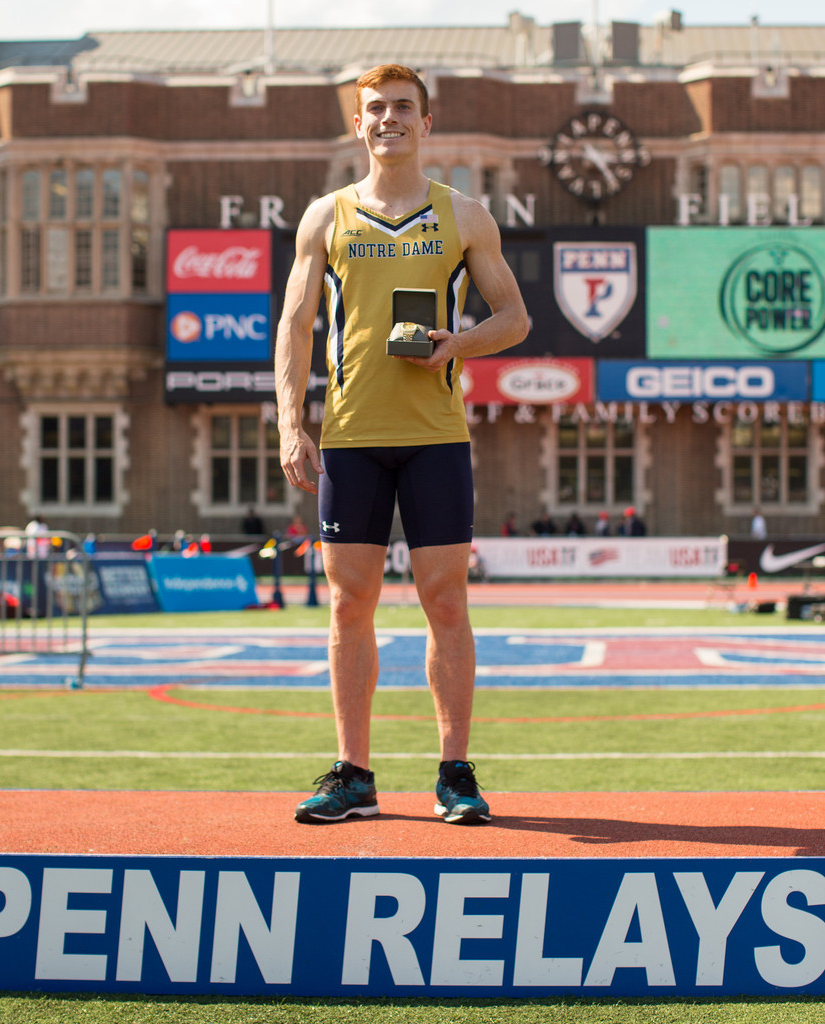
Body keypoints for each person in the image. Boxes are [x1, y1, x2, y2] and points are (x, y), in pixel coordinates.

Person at [276, 63, 528, 826]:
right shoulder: (326, 216)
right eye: (375, 109)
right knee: (350, 605)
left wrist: (457, 344)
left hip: (435, 438)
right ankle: (353, 773)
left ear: (428, 123)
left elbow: (513, 318)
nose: (389, 118)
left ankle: (455, 772)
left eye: (403, 108)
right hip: (351, 437)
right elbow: (293, 325)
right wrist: (292, 420)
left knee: (444, 601)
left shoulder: (465, 216)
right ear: (358, 125)